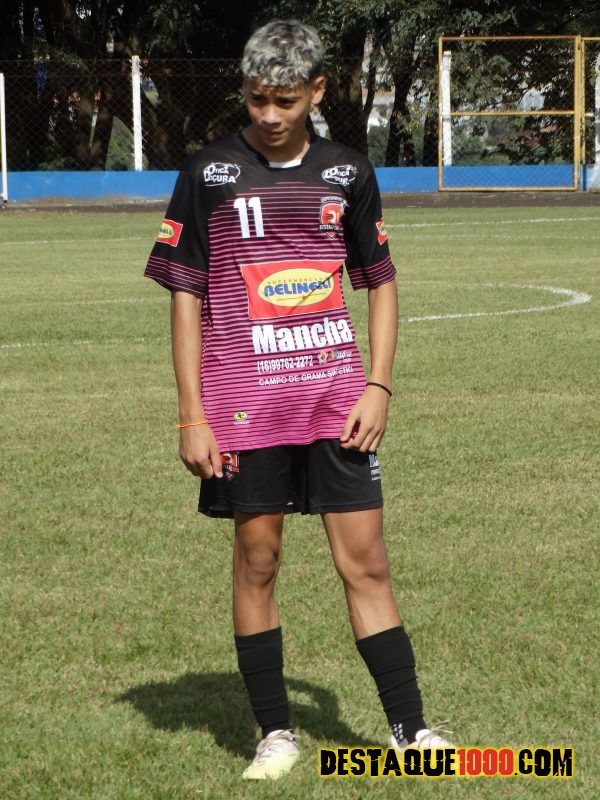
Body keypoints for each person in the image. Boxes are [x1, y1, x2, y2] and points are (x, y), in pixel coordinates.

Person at [145, 18, 452, 781]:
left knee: (367, 563)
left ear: (317, 91)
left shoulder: (347, 171)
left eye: (285, 101)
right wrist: (192, 413)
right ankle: (275, 733)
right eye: (257, 100)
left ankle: (411, 731)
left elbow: (380, 282)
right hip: (244, 407)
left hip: (337, 402)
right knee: (258, 558)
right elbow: (185, 297)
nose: (270, 115)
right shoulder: (209, 172)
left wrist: (378, 385)